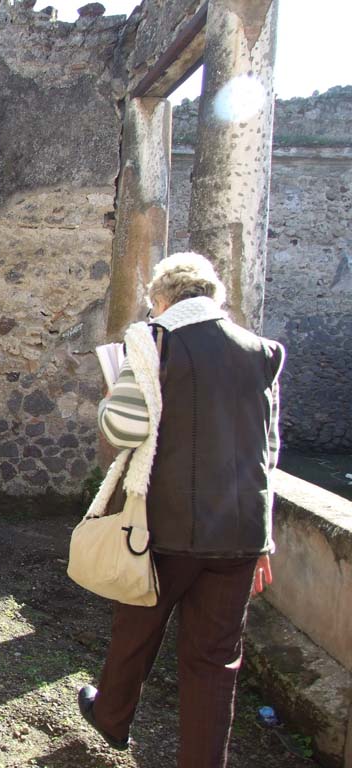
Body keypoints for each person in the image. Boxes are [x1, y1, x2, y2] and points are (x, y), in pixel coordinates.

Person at [77, 252, 285, 767]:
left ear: (162, 299)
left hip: (164, 528)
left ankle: (111, 717)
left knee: (137, 628)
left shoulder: (155, 340)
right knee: (215, 661)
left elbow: (122, 428)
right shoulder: (262, 352)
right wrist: (265, 543)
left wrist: (111, 394)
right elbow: (270, 450)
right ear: (214, 298)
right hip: (240, 532)